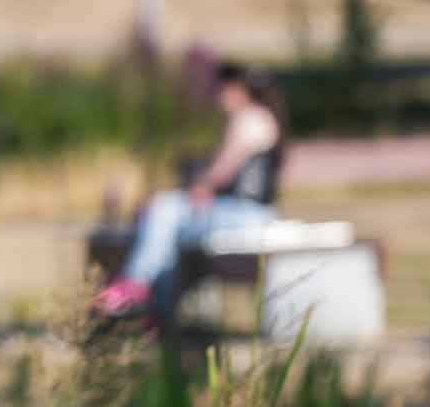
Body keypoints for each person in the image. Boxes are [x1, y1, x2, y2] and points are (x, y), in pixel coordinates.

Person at [91, 61, 285, 319]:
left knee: (164, 209)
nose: (218, 96)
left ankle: (136, 285)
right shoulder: (258, 118)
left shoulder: (250, 118)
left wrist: (200, 189)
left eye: (221, 89)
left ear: (237, 90)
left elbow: (223, 170)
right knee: (167, 234)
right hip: (240, 212)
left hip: (245, 214)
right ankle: (155, 309)